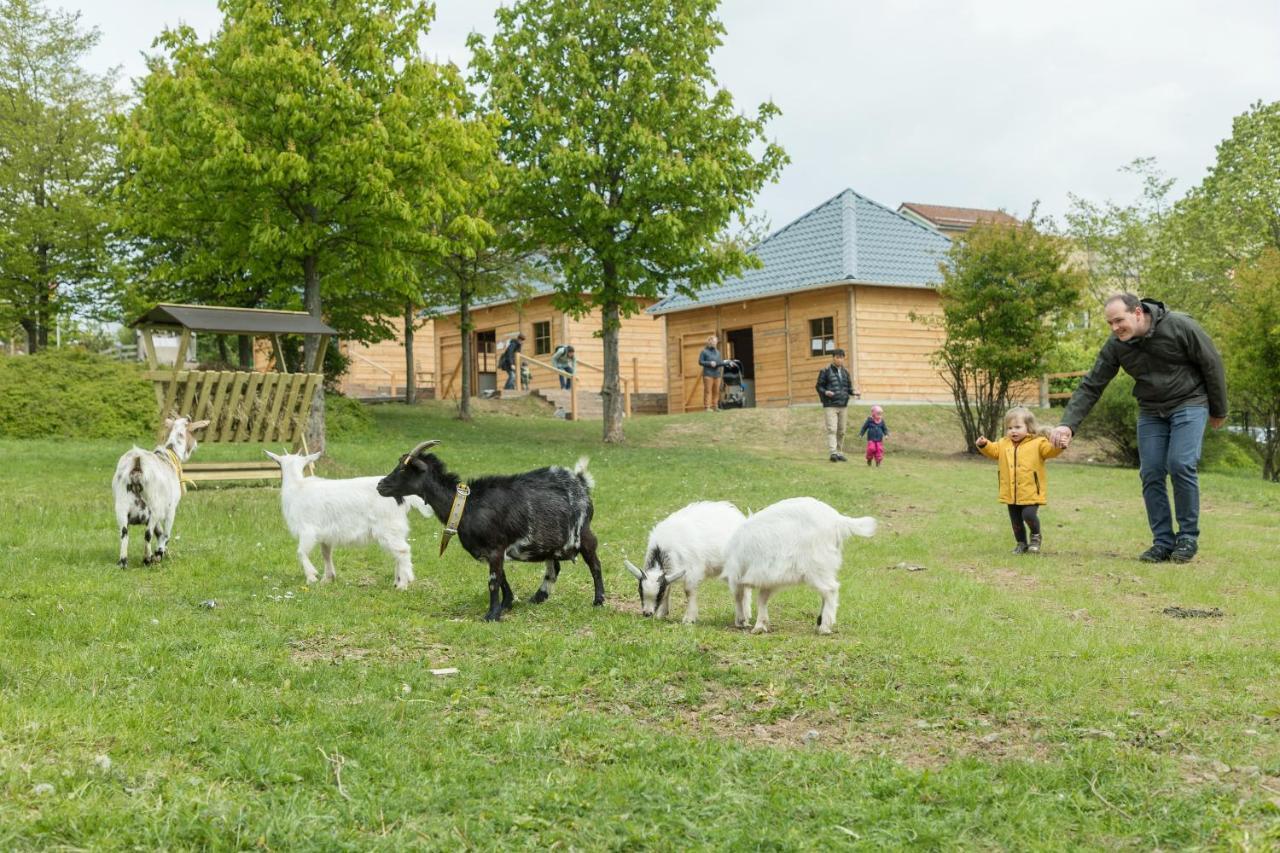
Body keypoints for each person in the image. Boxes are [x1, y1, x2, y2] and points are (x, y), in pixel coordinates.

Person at [1049, 294, 1227, 564]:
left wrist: (1219, 409)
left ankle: (1188, 536)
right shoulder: (1116, 345)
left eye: (1119, 320)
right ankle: (1163, 542)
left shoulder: (1180, 326)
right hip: (1151, 409)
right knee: (1152, 471)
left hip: (1189, 401)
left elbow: (1211, 363)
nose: (1115, 327)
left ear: (1138, 313)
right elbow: (1092, 384)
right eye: (1110, 323)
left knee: (1180, 464)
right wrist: (1068, 425)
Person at [977, 406, 1065, 555]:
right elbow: (993, 451)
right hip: (1011, 491)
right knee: (1016, 521)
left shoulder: (1038, 443)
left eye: (1018, 427)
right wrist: (984, 445)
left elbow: (1050, 451)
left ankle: (1035, 536)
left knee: (1028, 515)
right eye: (1010, 428)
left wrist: (1059, 446)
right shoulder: (1004, 443)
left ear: (1028, 427)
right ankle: (1021, 543)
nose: (1013, 431)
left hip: (1031, 490)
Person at [815, 347, 859, 462]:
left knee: (842, 430)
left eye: (841, 357)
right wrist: (825, 392)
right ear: (833, 358)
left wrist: (854, 392)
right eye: (837, 357)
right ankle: (833, 452)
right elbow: (819, 386)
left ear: (844, 358)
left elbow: (848, 388)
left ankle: (839, 452)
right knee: (832, 429)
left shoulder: (845, 372)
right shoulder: (825, 371)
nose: (839, 360)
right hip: (830, 405)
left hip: (843, 405)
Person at [699, 334, 724, 412]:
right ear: (709, 342)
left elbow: (720, 362)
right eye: (713, 342)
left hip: (717, 374)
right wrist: (710, 363)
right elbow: (700, 362)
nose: (715, 343)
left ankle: (715, 406)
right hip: (708, 374)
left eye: (716, 342)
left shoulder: (718, 352)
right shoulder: (704, 351)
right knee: (708, 391)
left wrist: (725, 363)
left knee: (716, 391)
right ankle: (707, 407)